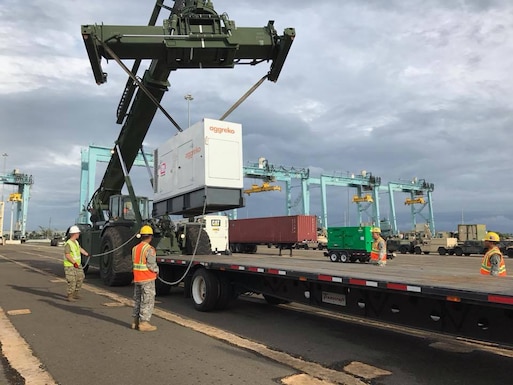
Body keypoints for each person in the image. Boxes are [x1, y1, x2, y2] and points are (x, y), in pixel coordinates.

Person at [132, 225, 159, 332]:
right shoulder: (149, 249)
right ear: (150, 237)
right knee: (147, 301)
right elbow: (151, 264)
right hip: (147, 278)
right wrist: (157, 271)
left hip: (137, 278)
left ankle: (135, 322)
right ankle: (144, 323)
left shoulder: (135, 248)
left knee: (138, 300)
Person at [63, 225, 89, 302]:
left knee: (80, 277)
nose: (79, 234)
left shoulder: (76, 242)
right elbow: (67, 255)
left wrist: (86, 254)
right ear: (74, 233)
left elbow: (79, 249)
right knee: (72, 280)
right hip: (70, 265)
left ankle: (76, 293)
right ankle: (70, 295)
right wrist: (74, 263)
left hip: (77, 265)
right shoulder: (68, 243)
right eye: (78, 233)